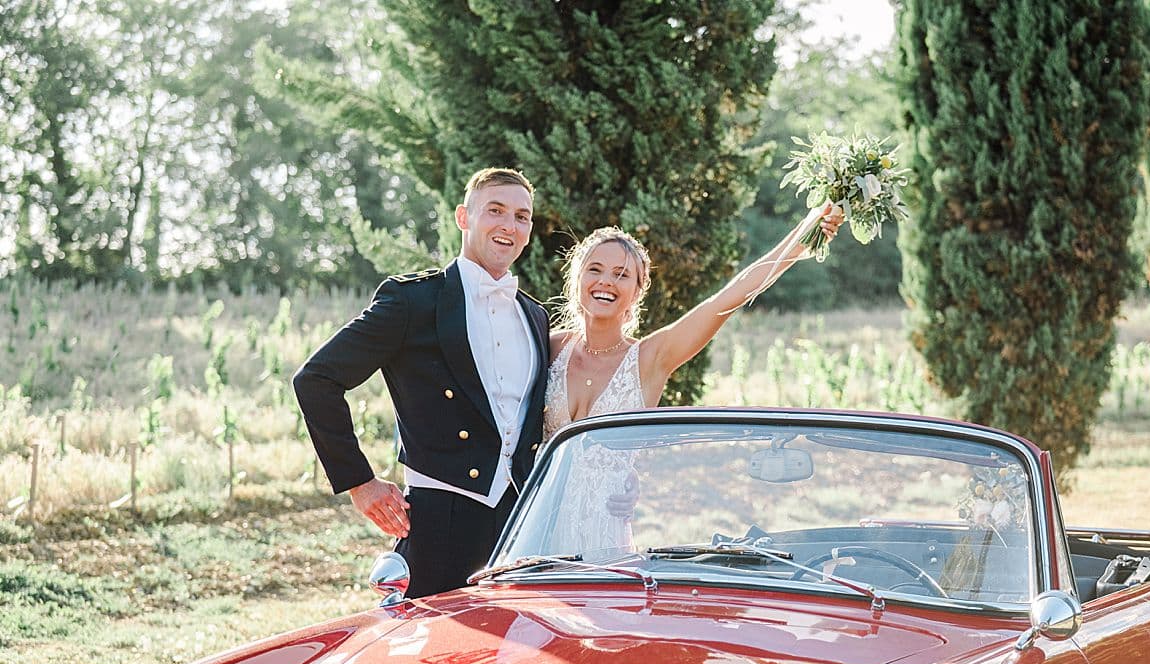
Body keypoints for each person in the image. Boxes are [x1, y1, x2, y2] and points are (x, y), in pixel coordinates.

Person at [293, 167, 549, 598]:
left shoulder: (535, 316)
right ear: (463, 217)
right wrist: (360, 483)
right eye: (496, 211)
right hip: (437, 522)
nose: (510, 225)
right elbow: (316, 379)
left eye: (522, 217)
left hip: (517, 527)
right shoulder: (413, 301)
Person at [540, 205, 843, 553]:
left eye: (622, 274)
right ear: (577, 280)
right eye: (595, 269)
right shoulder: (549, 347)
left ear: (638, 291)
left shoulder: (651, 358)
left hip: (603, 536)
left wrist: (804, 235)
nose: (606, 281)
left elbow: (727, 298)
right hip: (538, 528)